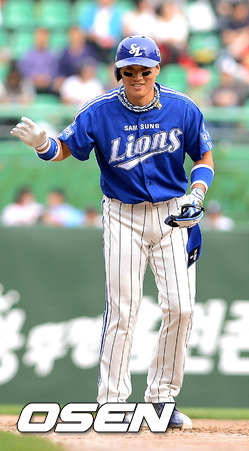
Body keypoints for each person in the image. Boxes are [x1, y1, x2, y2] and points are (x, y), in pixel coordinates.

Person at [10, 35, 215, 429]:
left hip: (172, 213)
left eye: (144, 70)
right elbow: (65, 148)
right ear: (118, 72)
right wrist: (42, 144)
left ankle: (161, 400)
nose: (137, 76)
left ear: (157, 70)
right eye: (128, 70)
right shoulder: (100, 111)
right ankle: (112, 404)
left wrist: (197, 192)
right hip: (123, 214)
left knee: (182, 308)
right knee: (124, 309)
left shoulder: (182, 107)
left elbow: (203, 154)